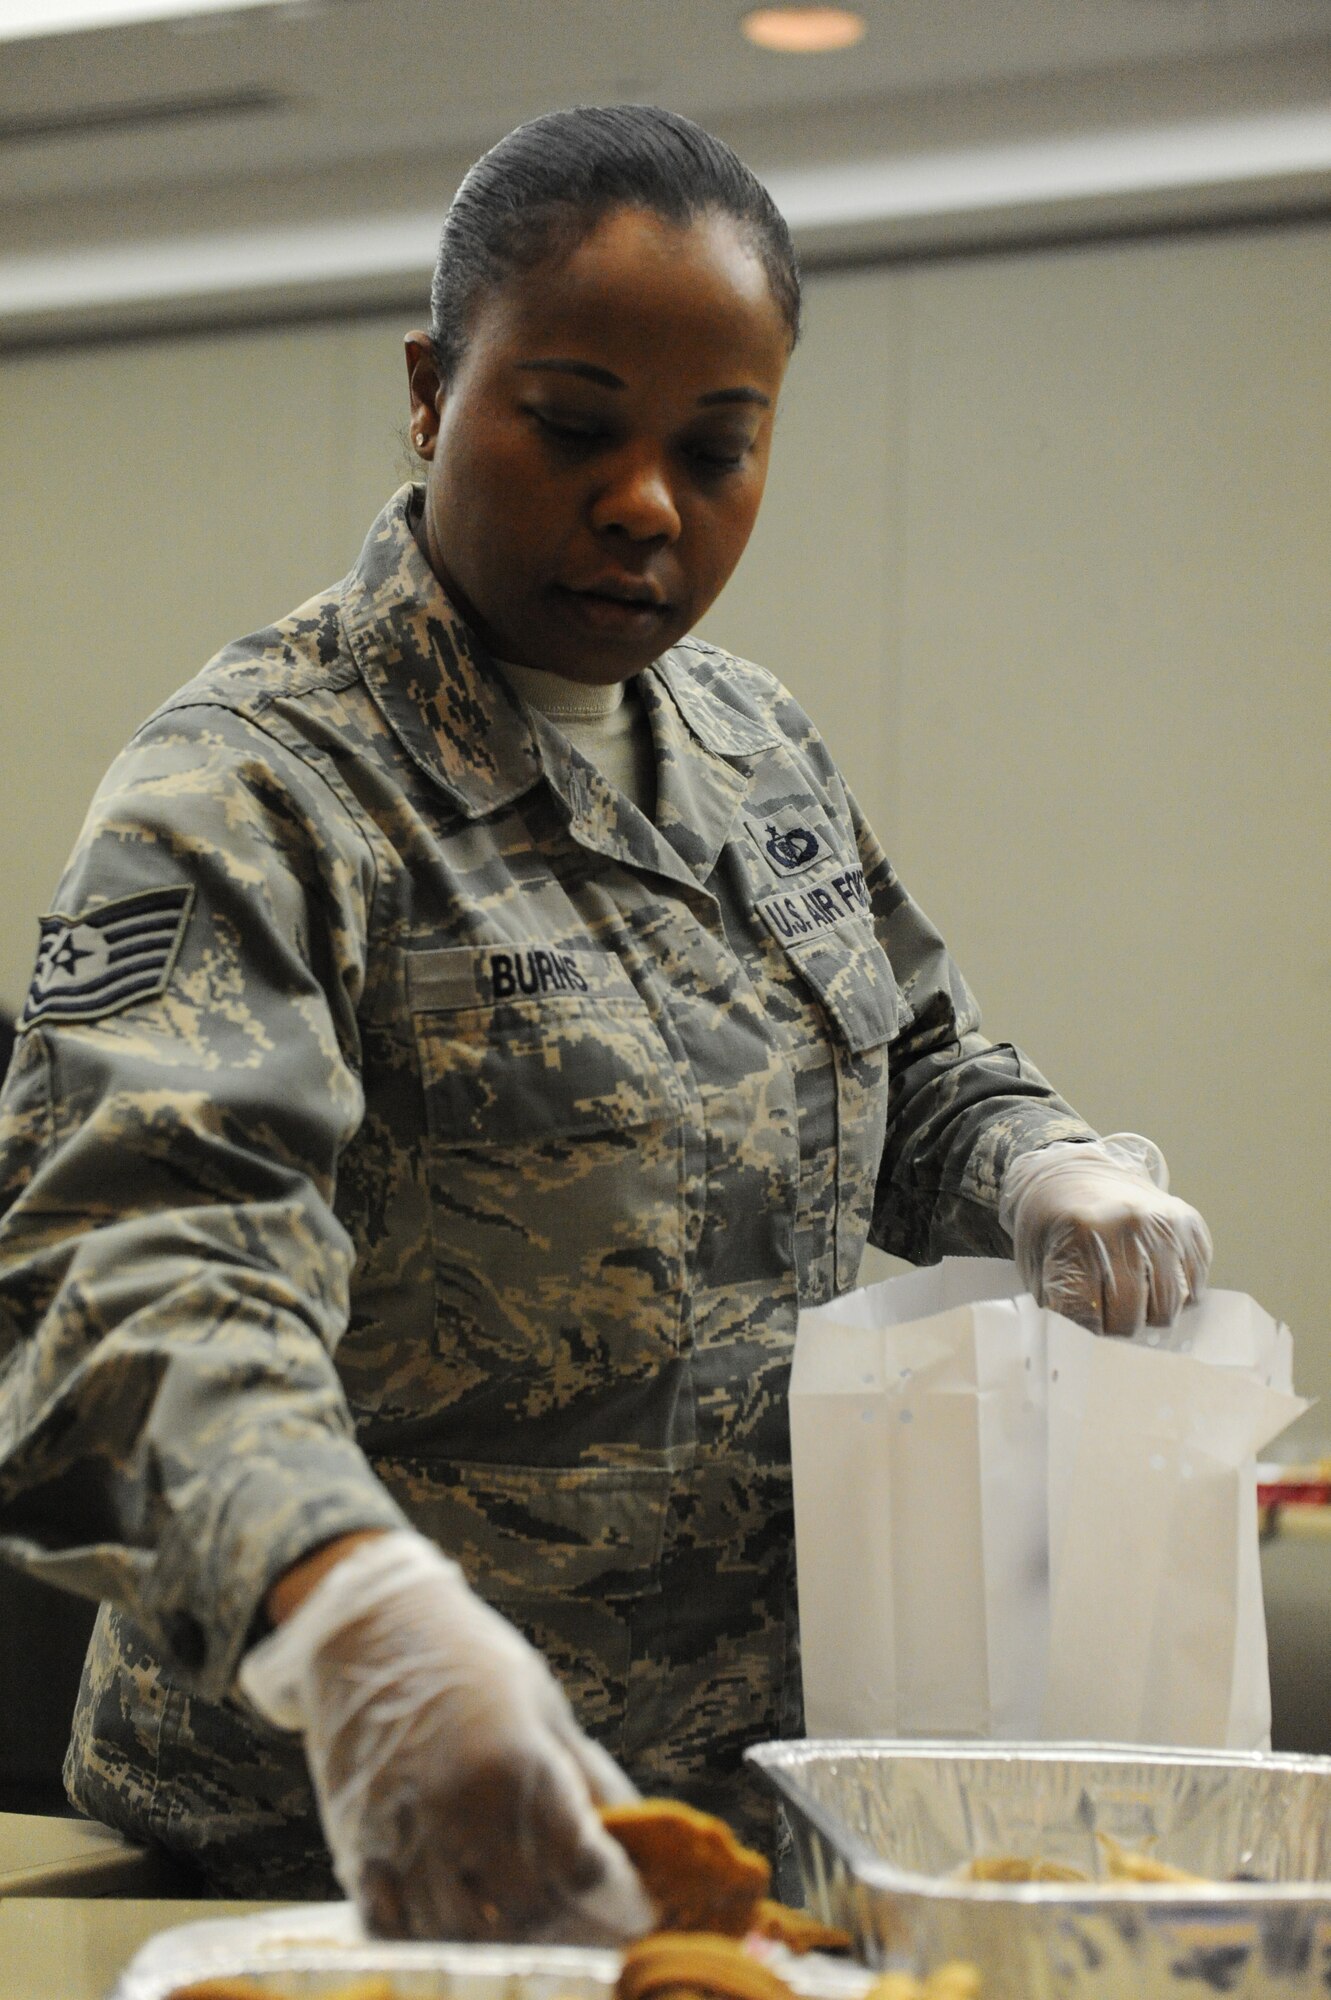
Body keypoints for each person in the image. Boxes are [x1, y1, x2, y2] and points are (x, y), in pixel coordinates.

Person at [0, 106, 1211, 1941]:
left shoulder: (753, 744)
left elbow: (921, 1057)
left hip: (734, 1838)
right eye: (573, 426)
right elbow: (135, 1283)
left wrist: (1041, 1164)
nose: (647, 501)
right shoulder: (252, 790)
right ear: (430, 391)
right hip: (335, 1847)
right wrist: (354, 1624)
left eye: (716, 450)